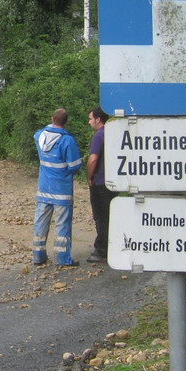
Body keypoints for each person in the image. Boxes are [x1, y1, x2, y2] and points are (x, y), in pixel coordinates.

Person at [32, 108, 83, 267]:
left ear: (52, 118)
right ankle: (62, 259)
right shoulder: (67, 140)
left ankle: (38, 257)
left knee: (40, 222)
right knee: (62, 224)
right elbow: (74, 166)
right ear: (67, 121)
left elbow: (40, 133)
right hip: (62, 189)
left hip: (43, 187)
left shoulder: (39, 135)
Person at [86, 106, 117, 264]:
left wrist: (89, 177)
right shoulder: (113, 133)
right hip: (114, 182)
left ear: (98, 119)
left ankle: (101, 251)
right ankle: (114, 247)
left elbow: (93, 159)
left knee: (101, 217)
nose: (89, 121)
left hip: (100, 182)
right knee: (112, 216)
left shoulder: (99, 136)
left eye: (91, 118)